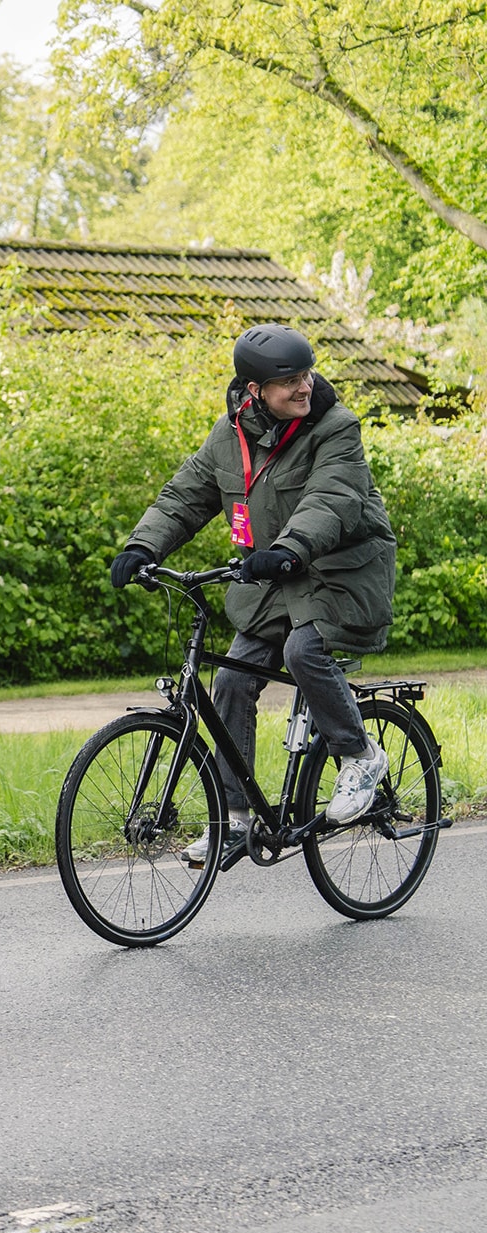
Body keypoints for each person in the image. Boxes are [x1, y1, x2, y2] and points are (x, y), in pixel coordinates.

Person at [111, 323, 397, 863]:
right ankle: (235, 818)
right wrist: (142, 547)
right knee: (233, 679)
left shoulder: (335, 428)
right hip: (279, 575)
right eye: (289, 380)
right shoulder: (229, 434)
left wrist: (290, 547)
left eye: (307, 374)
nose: (304, 386)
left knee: (302, 650)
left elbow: (331, 501)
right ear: (255, 389)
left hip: (342, 568)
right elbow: (185, 496)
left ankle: (360, 755)